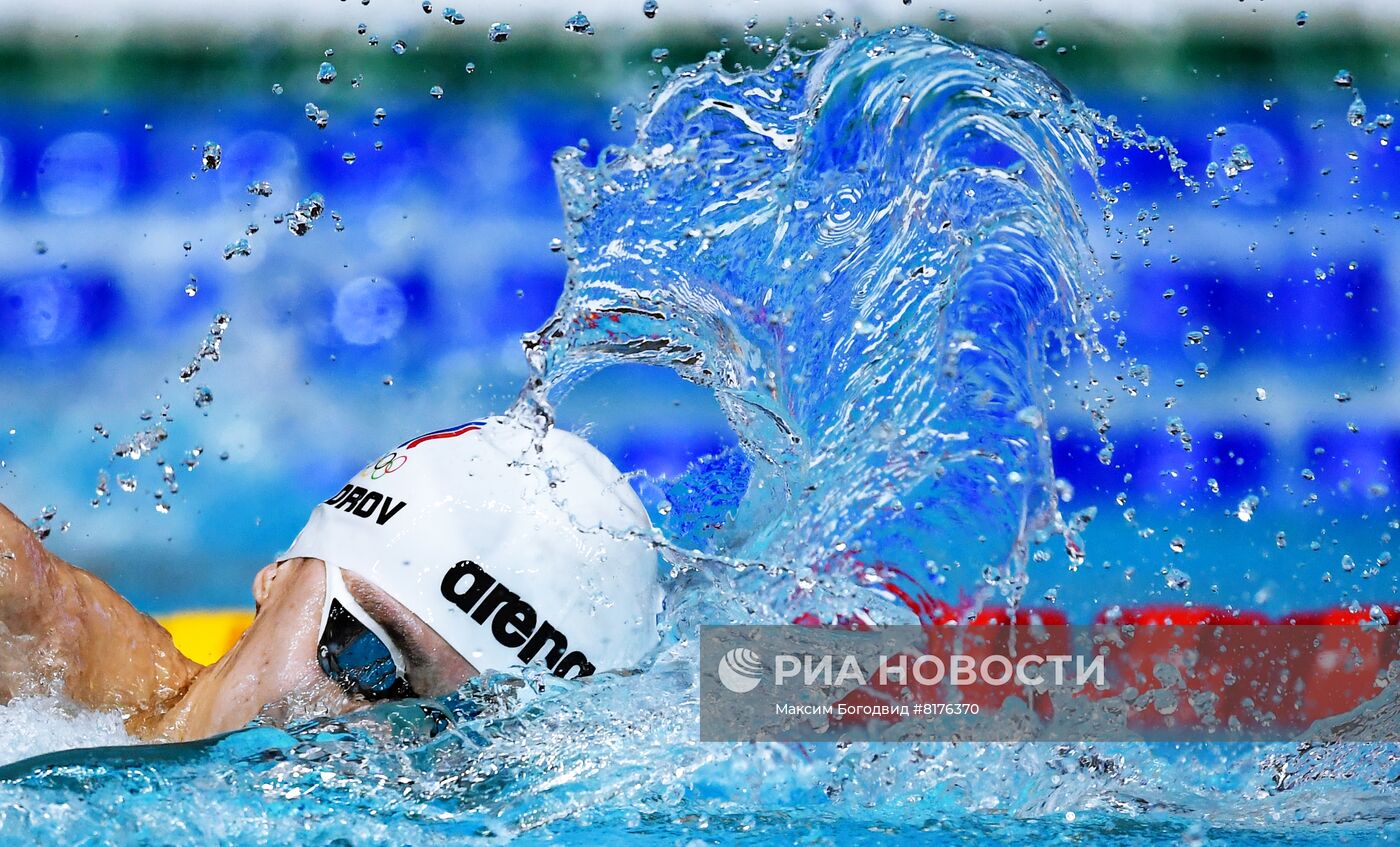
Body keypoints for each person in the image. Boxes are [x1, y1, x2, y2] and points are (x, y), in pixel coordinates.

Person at [0, 417, 663, 741]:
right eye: (369, 656)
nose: (367, 734)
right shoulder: (37, 655)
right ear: (276, 578)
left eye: (451, 730)